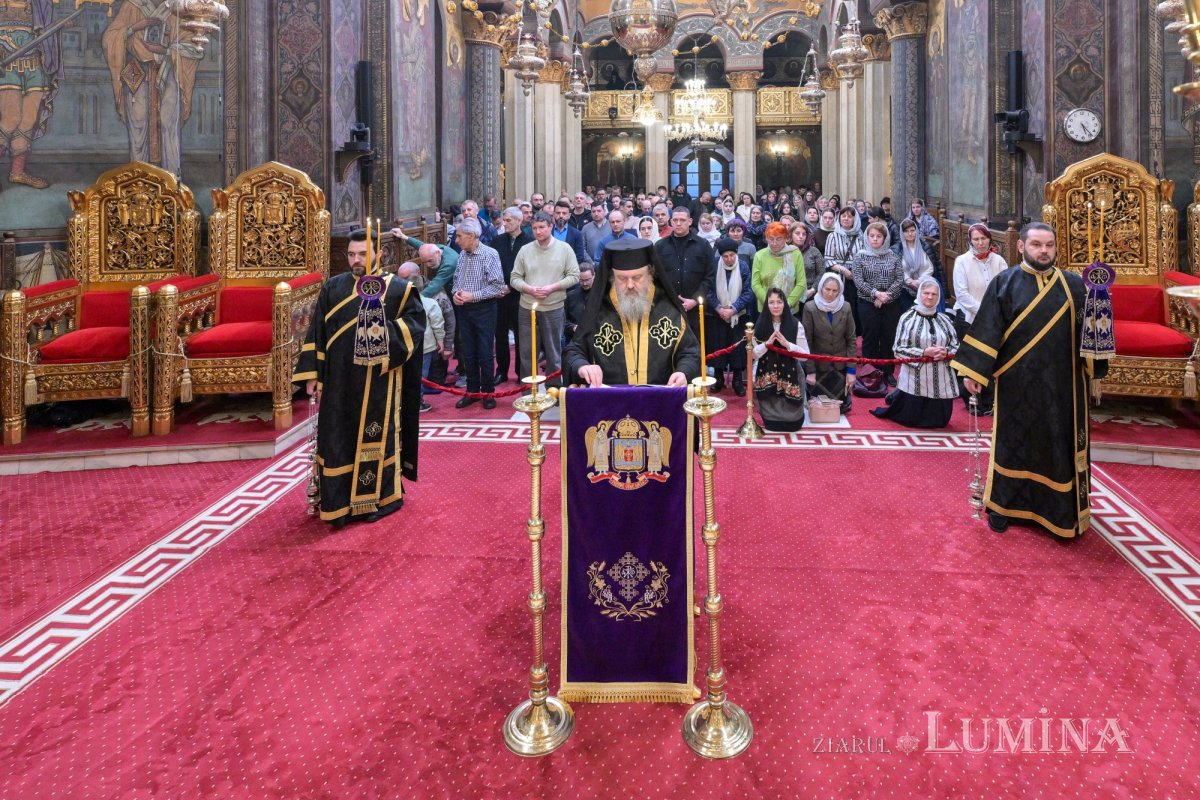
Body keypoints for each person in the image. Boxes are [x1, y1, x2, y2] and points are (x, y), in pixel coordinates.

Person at [951, 222, 1107, 539]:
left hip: (1063, 387)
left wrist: (1101, 300)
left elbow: (1092, 336)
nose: (1044, 251)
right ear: (1022, 247)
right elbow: (986, 329)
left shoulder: (1075, 285)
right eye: (1036, 245)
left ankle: (1058, 513)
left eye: (1049, 245)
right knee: (1013, 445)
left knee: (1057, 447)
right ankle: (1004, 507)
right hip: (1016, 386)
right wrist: (974, 371)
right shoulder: (1004, 284)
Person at [294, 228, 426, 528]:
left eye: (363, 254)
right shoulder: (334, 287)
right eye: (351, 254)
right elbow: (318, 331)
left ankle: (378, 499)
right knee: (337, 436)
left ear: (378, 254)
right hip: (339, 380)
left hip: (378, 380)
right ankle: (338, 502)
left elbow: (415, 327)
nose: (356, 260)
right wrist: (313, 373)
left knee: (375, 436)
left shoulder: (398, 289)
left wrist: (382, 333)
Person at [562, 238, 701, 387]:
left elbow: (690, 352)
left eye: (637, 277)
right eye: (621, 278)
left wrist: (684, 371)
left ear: (650, 274)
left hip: (660, 403)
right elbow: (574, 351)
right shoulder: (597, 309)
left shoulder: (668, 309)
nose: (629, 285)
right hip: (611, 404)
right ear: (612, 277)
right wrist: (582, 366)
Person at [871, 278, 958, 428]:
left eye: (934, 294)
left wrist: (946, 352)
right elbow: (898, 349)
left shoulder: (945, 320)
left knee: (940, 422)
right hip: (916, 378)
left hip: (941, 377)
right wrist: (924, 352)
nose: (930, 297)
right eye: (926, 293)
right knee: (912, 420)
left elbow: (956, 346)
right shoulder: (907, 318)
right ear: (919, 294)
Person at [510, 211, 580, 390]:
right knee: (527, 353)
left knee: (553, 353)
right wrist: (529, 289)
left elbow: (574, 276)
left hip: (554, 307)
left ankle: (553, 389)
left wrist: (552, 287)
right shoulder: (525, 249)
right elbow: (515, 278)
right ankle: (527, 391)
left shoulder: (564, 249)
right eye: (534, 228)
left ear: (551, 227)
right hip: (527, 308)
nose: (538, 231)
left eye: (542, 227)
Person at [450, 218, 505, 409]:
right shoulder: (463, 255)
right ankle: (472, 391)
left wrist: (473, 295)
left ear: (471, 236)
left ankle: (488, 392)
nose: (456, 240)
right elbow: (456, 280)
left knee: (484, 352)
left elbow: (497, 286)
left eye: (459, 236)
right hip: (464, 310)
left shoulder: (490, 254)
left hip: (484, 309)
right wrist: (455, 294)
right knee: (468, 352)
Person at [850, 221, 906, 386]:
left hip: (890, 302)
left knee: (888, 337)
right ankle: (871, 371)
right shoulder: (860, 256)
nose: (875, 239)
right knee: (870, 337)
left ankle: (888, 372)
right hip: (868, 303)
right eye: (872, 236)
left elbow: (899, 279)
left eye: (878, 236)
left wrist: (885, 296)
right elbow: (858, 280)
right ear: (867, 237)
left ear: (884, 238)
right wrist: (876, 294)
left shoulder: (893, 256)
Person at [752, 287, 810, 432]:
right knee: (771, 421)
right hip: (767, 373)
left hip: (792, 374)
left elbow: (805, 356)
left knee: (794, 423)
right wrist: (766, 345)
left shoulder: (796, 325)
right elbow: (753, 355)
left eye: (779, 301)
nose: (776, 306)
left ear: (785, 303)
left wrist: (787, 345)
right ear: (766, 305)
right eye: (771, 302)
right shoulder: (759, 326)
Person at [654, 206, 716, 336]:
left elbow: (710, 276)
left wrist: (694, 300)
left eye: (682, 220)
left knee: (695, 349)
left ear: (690, 221)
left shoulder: (703, 245)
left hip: (696, 310)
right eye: (675, 220)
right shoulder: (660, 246)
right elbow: (655, 277)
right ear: (670, 222)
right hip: (668, 308)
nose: (678, 223)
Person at [802, 273, 857, 414]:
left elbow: (851, 340)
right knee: (818, 407)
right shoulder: (810, 308)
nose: (830, 294)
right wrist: (810, 371)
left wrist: (851, 371)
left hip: (840, 367)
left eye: (834, 291)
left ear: (840, 291)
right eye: (827, 289)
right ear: (820, 288)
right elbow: (806, 342)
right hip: (819, 367)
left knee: (841, 408)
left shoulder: (846, 307)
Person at [707, 237, 754, 395]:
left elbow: (748, 292)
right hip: (717, 315)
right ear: (720, 256)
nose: (728, 259)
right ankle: (719, 379)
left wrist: (733, 309)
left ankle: (737, 381)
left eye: (731, 255)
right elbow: (708, 290)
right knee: (719, 346)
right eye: (725, 256)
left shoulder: (743, 266)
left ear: (736, 253)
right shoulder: (714, 266)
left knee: (737, 349)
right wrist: (719, 309)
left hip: (738, 315)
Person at [396, 262, 445, 413]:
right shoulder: (429, 303)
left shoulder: (396, 303)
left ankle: (402, 402)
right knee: (420, 376)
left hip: (403, 345)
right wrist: (441, 341)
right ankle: (417, 402)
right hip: (425, 346)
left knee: (405, 374)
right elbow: (437, 324)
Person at [490, 207, 532, 385]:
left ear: (518, 221)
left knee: (522, 335)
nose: (504, 223)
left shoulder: (529, 242)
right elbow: (491, 265)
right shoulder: (497, 240)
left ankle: (521, 370)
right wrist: (498, 287)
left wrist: (512, 287)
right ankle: (502, 370)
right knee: (500, 335)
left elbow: (530, 271)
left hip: (520, 296)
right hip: (500, 296)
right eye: (504, 220)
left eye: (508, 220)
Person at [751, 221, 805, 315]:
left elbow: (801, 282)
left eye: (778, 239)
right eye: (771, 239)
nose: (774, 243)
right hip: (766, 308)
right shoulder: (759, 256)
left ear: (785, 238)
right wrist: (770, 303)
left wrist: (788, 303)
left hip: (790, 308)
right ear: (766, 238)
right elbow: (755, 284)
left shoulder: (795, 254)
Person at [824, 206, 864, 332]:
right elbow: (828, 259)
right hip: (840, 278)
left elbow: (865, 256)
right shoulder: (833, 236)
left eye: (850, 216)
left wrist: (856, 270)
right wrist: (844, 270)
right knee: (841, 306)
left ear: (855, 219)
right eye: (843, 216)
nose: (846, 219)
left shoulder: (861, 236)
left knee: (856, 308)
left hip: (857, 278)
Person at [898, 219, 936, 306]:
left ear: (917, 231)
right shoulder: (898, 249)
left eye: (912, 230)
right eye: (906, 231)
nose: (910, 234)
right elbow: (898, 268)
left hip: (925, 288)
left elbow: (930, 268)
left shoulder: (925, 247)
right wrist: (909, 281)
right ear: (902, 233)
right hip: (904, 289)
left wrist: (919, 281)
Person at [551, 199, 592, 268]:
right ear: (554, 214)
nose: (561, 216)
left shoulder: (576, 234)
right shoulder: (548, 232)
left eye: (564, 213)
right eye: (558, 213)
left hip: (569, 271)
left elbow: (580, 257)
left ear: (569, 215)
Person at [790, 222, 824, 306]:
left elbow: (821, 272)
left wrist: (813, 290)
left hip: (810, 294)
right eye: (797, 233)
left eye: (804, 234)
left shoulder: (813, 251)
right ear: (791, 234)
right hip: (790, 294)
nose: (801, 236)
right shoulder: (785, 251)